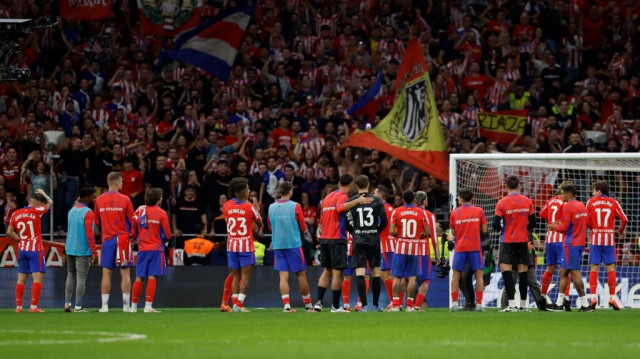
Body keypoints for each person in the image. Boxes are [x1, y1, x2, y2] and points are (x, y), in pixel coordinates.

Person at [314, 174, 373, 312]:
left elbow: (322, 218)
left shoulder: (327, 197)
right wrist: (359, 201)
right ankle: (335, 306)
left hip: (325, 238)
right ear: (351, 184)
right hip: (336, 238)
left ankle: (318, 303)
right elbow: (341, 208)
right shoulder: (342, 197)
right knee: (336, 273)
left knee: (326, 272)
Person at [268, 181, 314, 313]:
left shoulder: (271, 207)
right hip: (293, 244)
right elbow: (303, 227)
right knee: (301, 274)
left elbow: (270, 227)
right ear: (290, 192)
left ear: (279, 192)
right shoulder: (296, 206)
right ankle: (308, 306)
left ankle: (286, 306)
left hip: (278, 245)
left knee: (283, 276)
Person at [547, 183, 593, 312]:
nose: (560, 196)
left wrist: (554, 227)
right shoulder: (581, 205)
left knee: (575, 274)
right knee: (563, 272)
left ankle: (585, 304)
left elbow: (564, 228)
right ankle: (559, 303)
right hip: (578, 243)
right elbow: (576, 223)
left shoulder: (567, 206)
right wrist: (560, 224)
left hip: (570, 243)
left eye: (561, 193)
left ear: (567, 194)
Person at [493, 175, 536, 312]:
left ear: (506, 186)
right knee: (523, 272)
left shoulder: (501, 202)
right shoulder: (527, 201)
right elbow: (533, 223)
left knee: (507, 272)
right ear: (519, 185)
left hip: (507, 240)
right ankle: (523, 306)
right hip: (523, 240)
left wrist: (503, 229)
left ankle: (511, 305)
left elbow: (495, 225)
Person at [345, 175, 387, 312]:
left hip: (358, 240)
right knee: (375, 272)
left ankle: (363, 306)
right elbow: (385, 221)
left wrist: (355, 233)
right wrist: (376, 232)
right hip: (373, 239)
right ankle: (376, 305)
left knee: (360, 273)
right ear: (368, 184)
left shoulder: (351, 201)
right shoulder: (376, 200)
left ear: (356, 186)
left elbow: (347, 223)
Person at [95, 172, 135, 313]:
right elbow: (132, 220)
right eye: (122, 181)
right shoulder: (126, 199)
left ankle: (104, 306)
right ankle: (126, 306)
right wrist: (133, 236)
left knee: (106, 273)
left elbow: (96, 221)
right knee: (125, 273)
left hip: (107, 240)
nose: (123, 184)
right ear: (117, 183)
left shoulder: (99, 200)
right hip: (123, 239)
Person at [9, 189, 53, 313]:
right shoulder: (37, 211)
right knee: (37, 279)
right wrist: (44, 193)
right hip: (35, 249)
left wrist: (20, 239)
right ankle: (33, 307)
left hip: (22, 249)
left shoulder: (16, 214)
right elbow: (50, 203)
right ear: (37, 204)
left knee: (21, 279)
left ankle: (18, 307)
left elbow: (9, 232)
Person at [586, 181, 627, 310]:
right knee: (610, 268)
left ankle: (593, 297)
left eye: (594, 190)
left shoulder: (591, 202)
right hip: (609, 238)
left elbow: (586, 221)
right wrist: (620, 231)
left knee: (594, 268)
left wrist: (594, 228)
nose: (592, 192)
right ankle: (613, 298)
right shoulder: (614, 202)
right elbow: (624, 219)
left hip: (595, 238)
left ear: (599, 191)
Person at [223, 178, 263, 312]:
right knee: (245, 277)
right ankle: (239, 305)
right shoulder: (249, 207)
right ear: (245, 194)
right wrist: (256, 210)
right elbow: (259, 225)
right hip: (245, 244)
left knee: (235, 276)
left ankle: (234, 304)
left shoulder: (226, 205)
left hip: (231, 244)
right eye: (248, 190)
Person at [130, 188, 171, 313]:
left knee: (139, 277)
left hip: (142, 249)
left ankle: (133, 307)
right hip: (156, 249)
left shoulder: (139, 210)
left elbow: (133, 231)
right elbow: (168, 235)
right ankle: (148, 307)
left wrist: (138, 239)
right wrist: (160, 240)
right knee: (152, 277)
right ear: (158, 199)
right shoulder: (162, 213)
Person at [389, 190, 429, 312]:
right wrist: (418, 237)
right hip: (415, 249)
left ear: (402, 199)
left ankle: (396, 304)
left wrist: (399, 235)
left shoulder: (397, 211)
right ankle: (410, 305)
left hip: (400, 248)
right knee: (412, 278)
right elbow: (427, 232)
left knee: (397, 278)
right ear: (414, 200)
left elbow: (391, 231)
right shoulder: (421, 213)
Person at [448, 188, 486, 312]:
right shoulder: (479, 211)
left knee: (456, 276)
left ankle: (454, 304)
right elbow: (485, 231)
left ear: (462, 199)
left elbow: (452, 233)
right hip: (475, 247)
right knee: (479, 276)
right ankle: (479, 304)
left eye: (459, 198)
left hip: (460, 248)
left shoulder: (454, 213)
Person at [538, 181, 573, 311]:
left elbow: (541, 214)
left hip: (550, 239)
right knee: (565, 271)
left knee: (549, 269)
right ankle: (565, 299)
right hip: (561, 238)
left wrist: (551, 220)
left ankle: (542, 296)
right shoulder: (566, 203)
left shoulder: (551, 201)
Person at [64, 187, 97, 313]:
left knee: (70, 275)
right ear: (87, 197)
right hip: (82, 249)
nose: (94, 198)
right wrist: (94, 252)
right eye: (93, 196)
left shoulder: (71, 210)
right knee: (81, 277)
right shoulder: (88, 212)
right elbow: (89, 234)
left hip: (70, 248)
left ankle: (67, 304)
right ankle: (78, 307)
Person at [414, 190, 440, 311]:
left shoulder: (408, 213)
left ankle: (400, 304)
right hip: (423, 252)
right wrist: (438, 255)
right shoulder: (429, 215)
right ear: (425, 201)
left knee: (407, 278)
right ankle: (417, 305)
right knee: (426, 280)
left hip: (407, 250)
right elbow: (434, 238)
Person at [374, 185, 396, 307]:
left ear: (380, 195)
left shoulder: (380, 208)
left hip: (385, 244)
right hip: (392, 243)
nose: (373, 195)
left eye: (375, 193)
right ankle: (395, 301)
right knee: (391, 275)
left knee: (385, 274)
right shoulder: (391, 208)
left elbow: (379, 226)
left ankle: (394, 302)